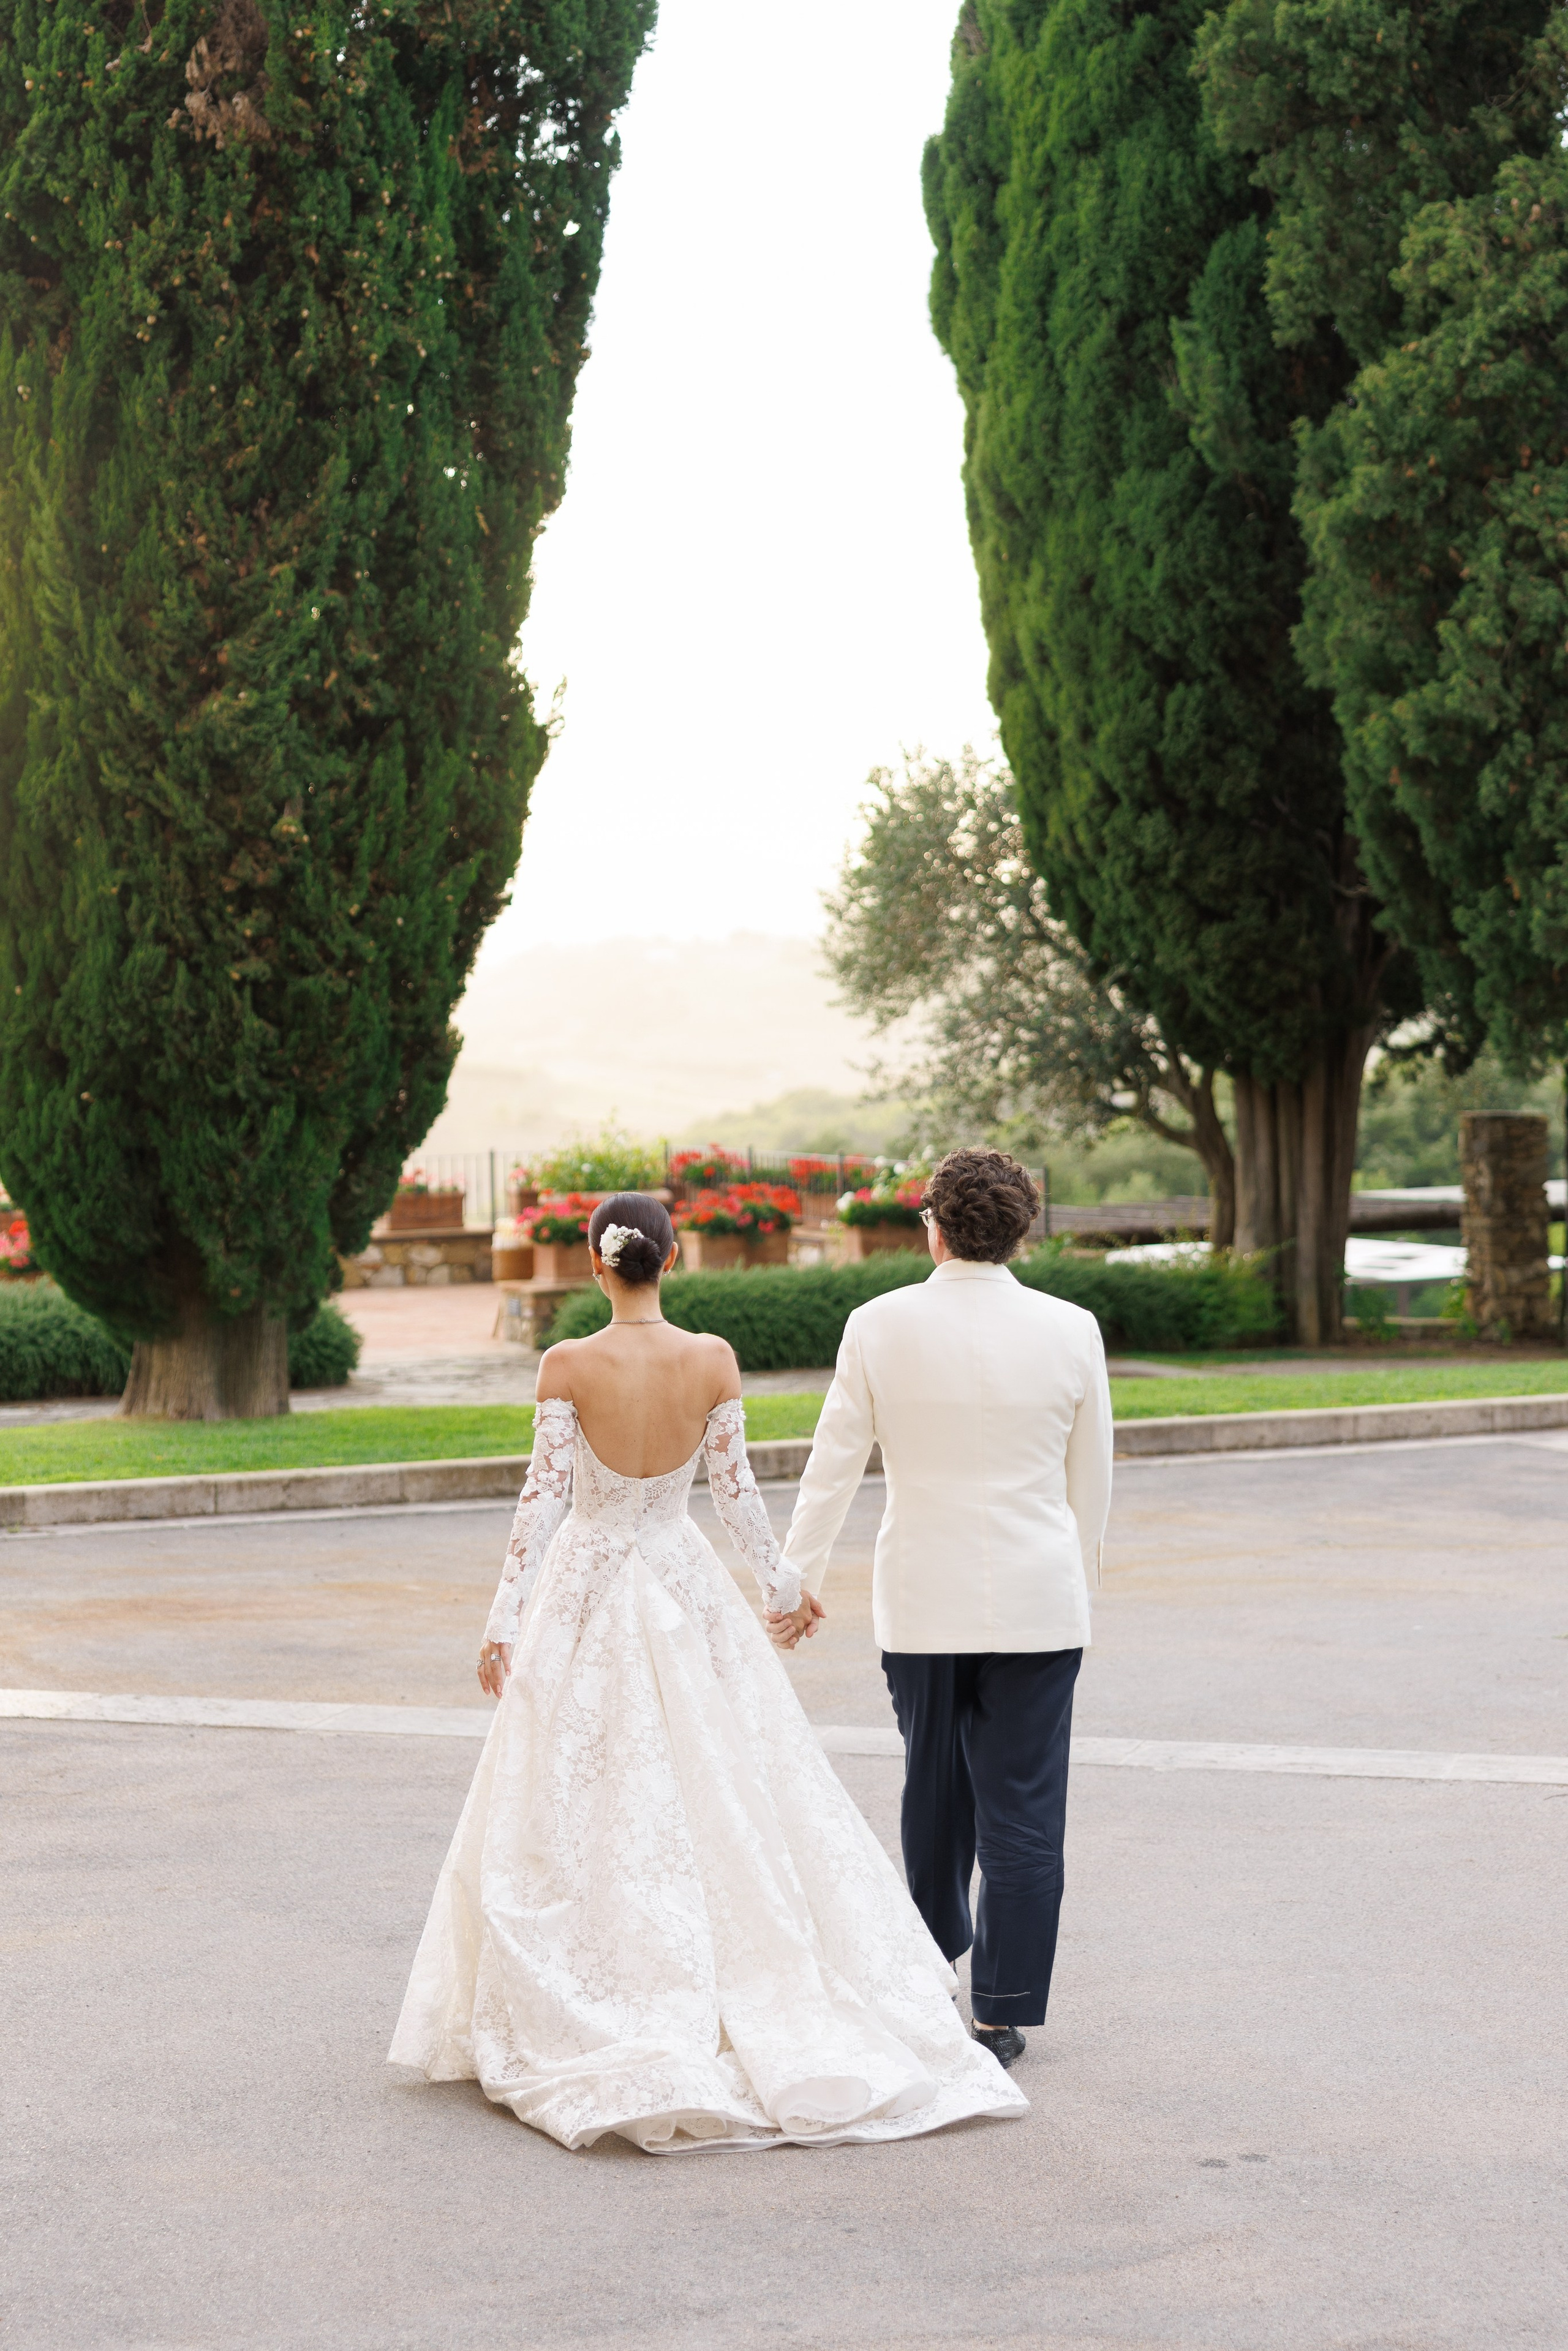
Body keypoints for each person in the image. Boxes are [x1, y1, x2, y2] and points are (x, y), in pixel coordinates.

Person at [388, 1191, 1025, 2153]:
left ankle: (607, 1981)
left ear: (601, 1267)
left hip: (588, 1581)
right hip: (682, 1578)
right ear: (673, 1259)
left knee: (583, 1787)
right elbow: (736, 1499)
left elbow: (541, 1503)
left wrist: (502, 1619)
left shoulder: (567, 1364)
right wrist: (781, 1586)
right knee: (725, 1781)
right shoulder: (714, 1359)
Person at [772, 1147, 1112, 2072]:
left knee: (934, 1790)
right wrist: (1079, 1582)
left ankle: (928, 1967)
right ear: (1022, 1230)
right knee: (1027, 1812)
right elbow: (1093, 1481)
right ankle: (1000, 2012)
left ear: (930, 1225)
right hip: (1041, 1604)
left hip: (922, 1601)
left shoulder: (877, 1324)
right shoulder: (1073, 1327)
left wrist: (793, 1578)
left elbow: (833, 1463)